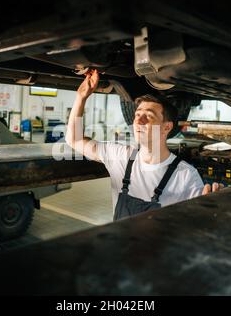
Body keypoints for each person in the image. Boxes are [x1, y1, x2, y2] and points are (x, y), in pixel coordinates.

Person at [66, 69, 222, 220]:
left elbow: (197, 221)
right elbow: (74, 139)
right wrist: (81, 97)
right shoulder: (120, 156)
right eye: (138, 114)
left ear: (166, 127)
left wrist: (210, 210)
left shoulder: (185, 176)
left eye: (149, 116)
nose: (138, 121)